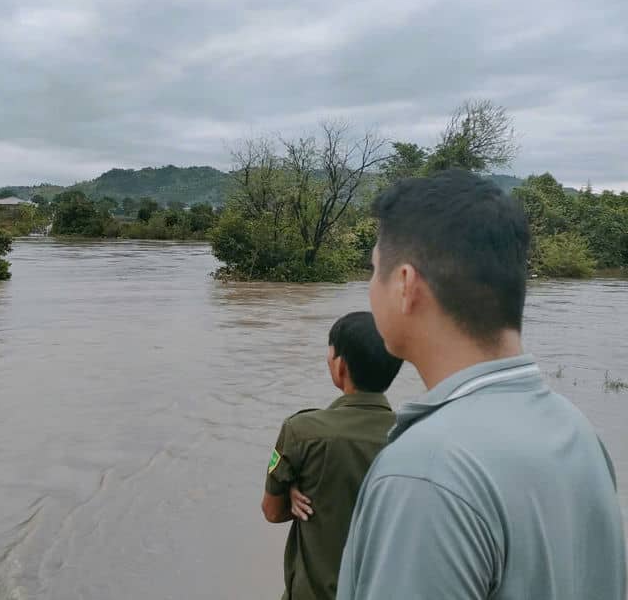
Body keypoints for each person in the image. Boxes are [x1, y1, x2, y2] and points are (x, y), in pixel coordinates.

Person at [337, 169, 626, 599]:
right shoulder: (578, 432)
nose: (368, 287)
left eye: (374, 269)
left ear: (405, 285)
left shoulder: (424, 473)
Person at [262, 311, 402, 600]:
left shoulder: (302, 432)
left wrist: (291, 495)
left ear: (340, 366)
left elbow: (272, 512)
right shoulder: (413, 435)